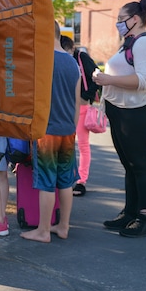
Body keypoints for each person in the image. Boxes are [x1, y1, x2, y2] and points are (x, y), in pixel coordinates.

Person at [93, 0, 146, 238]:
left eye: (121, 19)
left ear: (135, 19)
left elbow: (145, 80)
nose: (118, 23)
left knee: (141, 166)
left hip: (139, 113)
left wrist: (109, 79)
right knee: (130, 167)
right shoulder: (130, 43)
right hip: (122, 111)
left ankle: (145, 219)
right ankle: (130, 213)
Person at [20, 21, 80, 243]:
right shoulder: (73, 63)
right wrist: (72, 127)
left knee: (46, 181)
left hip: (46, 131)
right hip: (68, 130)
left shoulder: (41, 62)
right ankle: (63, 226)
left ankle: (43, 230)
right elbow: (76, 102)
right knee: (65, 181)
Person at [60, 35, 99, 197]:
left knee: (82, 145)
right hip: (65, 106)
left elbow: (97, 77)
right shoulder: (61, 59)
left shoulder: (81, 58)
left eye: (66, 52)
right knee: (65, 144)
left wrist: (86, 96)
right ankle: (67, 179)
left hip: (81, 106)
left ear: (72, 49)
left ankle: (81, 181)